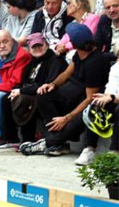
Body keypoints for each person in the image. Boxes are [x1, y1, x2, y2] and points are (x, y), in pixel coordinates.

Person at [34, 23, 108, 159]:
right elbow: (66, 74)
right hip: (71, 95)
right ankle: (58, 142)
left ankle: (49, 142)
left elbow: (90, 98)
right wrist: (52, 84)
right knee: (43, 95)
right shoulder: (79, 54)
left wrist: (66, 118)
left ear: (75, 43)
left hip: (87, 102)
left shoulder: (95, 63)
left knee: (80, 117)